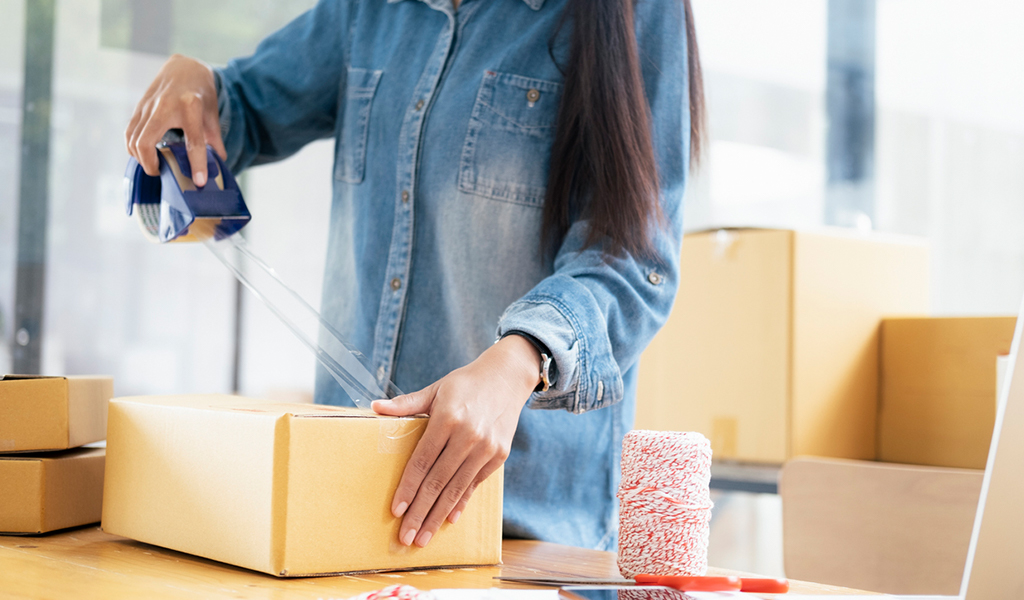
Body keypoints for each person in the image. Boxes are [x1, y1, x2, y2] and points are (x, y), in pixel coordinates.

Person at [125, 0, 704, 551]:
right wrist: (198, 92)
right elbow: (241, 109)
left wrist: (522, 358)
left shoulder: (633, 13)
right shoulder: (369, 11)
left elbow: (633, 261)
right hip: (346, 516)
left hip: (521, 533)